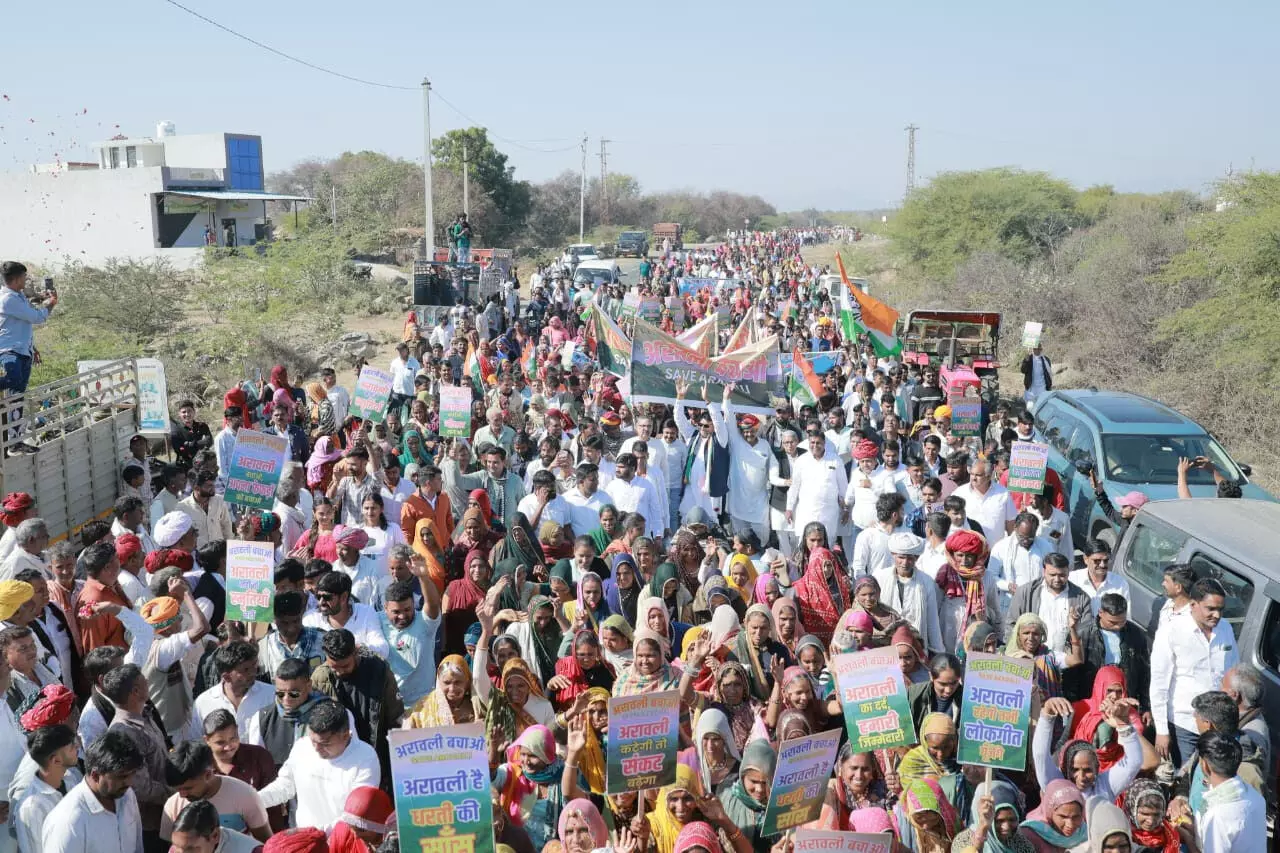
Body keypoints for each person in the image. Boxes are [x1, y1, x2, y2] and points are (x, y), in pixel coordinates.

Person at [1150, 577, 1237, 769]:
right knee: (1186, 776)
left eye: (1220, 609)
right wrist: (1162, 730)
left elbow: (1233, 671)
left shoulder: (1226, 629)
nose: (1217, 615)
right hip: (1184, 724)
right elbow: (1159, 683)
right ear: (1193, 604)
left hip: (1216, 725)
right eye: (1210, 609)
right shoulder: (1171, 630)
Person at [257, 698, 380, 831]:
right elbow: (285, 786)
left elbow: (356, 815)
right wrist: (255, 800)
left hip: (342, 839)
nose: (316, 748)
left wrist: (317, 833)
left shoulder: (365, 757)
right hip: (305, 837)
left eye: (324, 744)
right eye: (313, 741)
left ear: (345, 736)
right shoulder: (302, 746)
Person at [310, 629, 403, 788]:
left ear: (356, 652)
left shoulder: (379, 671)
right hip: (341, 759)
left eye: (345, 666)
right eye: (334, 667)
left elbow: (395, 716)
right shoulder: (321, 678)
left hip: (377, 751)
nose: (339, 672)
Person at [101, 664, 172, 850]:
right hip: (151, 825)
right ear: (135, 691)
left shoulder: (145, 714)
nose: (148, 681)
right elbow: (141, 788)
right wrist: (176, 793)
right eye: (144, 680)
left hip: (165, 814)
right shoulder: (124, 733)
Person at [41, 729, 144, 853]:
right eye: (122, 776)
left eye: (132, 774)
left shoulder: (126, 795)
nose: (129, 782)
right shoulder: (68, 822)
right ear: (95, 775)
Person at [1172, 730, 1266, 853]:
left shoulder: (1218, 815)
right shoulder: (1253, 795)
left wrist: (1188, 838)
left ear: (1204, 765)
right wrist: (1196, 828)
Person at [159, 741, 271, 843]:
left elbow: (266, 843)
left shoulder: (245, 795)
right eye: (178, 789)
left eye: (188, 788)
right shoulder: (173, 805)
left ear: (208, 775)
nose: (182, 795)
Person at [0, 262, 56, 452]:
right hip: (9, 351)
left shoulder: (17, 297)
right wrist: (51, 304)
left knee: (17, 397)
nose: (26, 280)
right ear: (16, 279)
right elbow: (37, 317)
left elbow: (20, 324)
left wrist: (33, 347)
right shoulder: (9, 299)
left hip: (23, 350)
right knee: (13, 380)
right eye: (24, 277)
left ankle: (15, 441)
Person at [873, 532, 944, 656]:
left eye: (910, 558)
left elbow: (932, 620)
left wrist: (938, 651)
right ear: (893, 555)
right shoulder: (880, 578)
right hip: (885, 644)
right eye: (901, 557)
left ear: (916, 558)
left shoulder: (926, 582)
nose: (905, 563)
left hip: (915, 644)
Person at [192, 641, 275, 739]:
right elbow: (195, 741)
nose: (253, 672)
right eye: (246, 670)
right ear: (226, 677)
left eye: (254, 665)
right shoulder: (203, 703)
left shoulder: (271, 695)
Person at [950, 779, 1036, 853]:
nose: (1006, 827)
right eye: (999, 821)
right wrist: (983, 828)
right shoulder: (963, 841)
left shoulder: (1021, 844)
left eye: (1012, 819)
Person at [1018, 779, 1086, 853]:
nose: (1070, 825)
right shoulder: (1028, 834)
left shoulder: (1085, 832)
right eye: (1063, 816)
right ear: (1049, 812)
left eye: (1076, 816)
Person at [167, 800, 261, 853]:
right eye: (176, 846)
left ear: (215, 836)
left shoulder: (251, 851)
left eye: (190, 849)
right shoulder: (178, 848)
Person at [1068, 540, 1130, 616]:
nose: (1102, 565)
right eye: (1097, 561)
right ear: (1085, 559)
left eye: (1106, 560)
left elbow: (1125, 616)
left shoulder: (1120, 584)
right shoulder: (1072, 579)